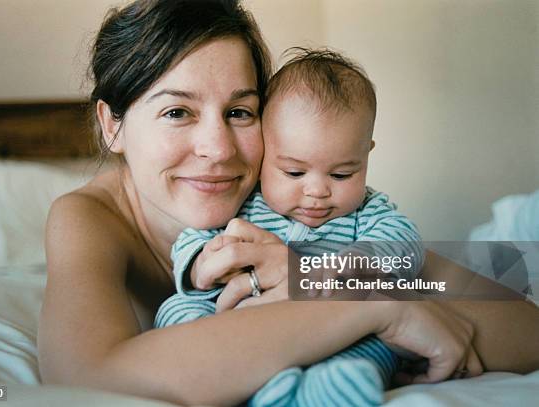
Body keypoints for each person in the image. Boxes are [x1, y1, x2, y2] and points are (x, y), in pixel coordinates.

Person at [37, 1, 539, 406]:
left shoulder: (284, 201)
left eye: (239, 111)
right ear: (113, 125)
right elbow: (85, 380)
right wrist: (372, 307)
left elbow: (523, 325)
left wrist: (315, 274)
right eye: (177, 111)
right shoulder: (88, 217)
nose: (219, 150)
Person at [155, 48, 424, 407]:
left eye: (343, 173)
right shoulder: (246, 205)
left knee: (378, 343)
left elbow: (404, 241)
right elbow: (195, 238)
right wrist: (199, 266)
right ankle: (222, 381)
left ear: (366, 154)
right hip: (239, 334)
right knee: (177, 309)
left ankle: (323, 390)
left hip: (331, 334)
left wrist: (346, 268)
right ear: (266, 151)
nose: (317, 191)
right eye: (294, 172)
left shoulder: (368, 211)